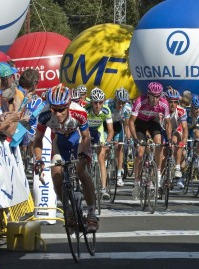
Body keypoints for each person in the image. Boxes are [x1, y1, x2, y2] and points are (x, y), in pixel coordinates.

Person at [33, 83, 99, 232]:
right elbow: (37, 140)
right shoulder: (44, 115)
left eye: (61, 109)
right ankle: (68, 210)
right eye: (53, 109)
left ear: (68, 105)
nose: (57, 114)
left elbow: (85, 136)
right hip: (59, 140)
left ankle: (91, 213)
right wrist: (38, 158)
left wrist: (82, 154)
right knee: (56, 175)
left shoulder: (79, 112)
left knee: (81, 171)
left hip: (78, 140)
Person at [129, 82, 171, 199]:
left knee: (159, 143)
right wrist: (136, 140)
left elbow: (167, 123)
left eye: (158, 96)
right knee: (141, 153)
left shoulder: (164, 104)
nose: (155, 99)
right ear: (148, 95)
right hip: (140, 125)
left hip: (153, 122)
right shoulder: (139, 101)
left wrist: (169, 139)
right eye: (153, 96)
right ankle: (137, 182)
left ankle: (157, 172)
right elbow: (131, 122)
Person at [85, 87, 114, 198]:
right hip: (87, 130)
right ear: (91, 102)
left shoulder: (106, 110)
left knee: (101, 157)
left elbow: (110, 130)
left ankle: (103, 188)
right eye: (95, 102)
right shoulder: (86, 110)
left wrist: (107, 142)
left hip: (98, 130)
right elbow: (81, 128)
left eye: (100, 102)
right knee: (85, 157)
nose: (98, 105)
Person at [104, 87, 132, 186]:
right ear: (115, 99)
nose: (121, 105)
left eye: (123, 103)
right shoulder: (107, 104)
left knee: (120, 148)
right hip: (106, 125)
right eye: (119, 102)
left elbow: (126, 125)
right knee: (105, 146)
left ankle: (119, 174)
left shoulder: (127, 108)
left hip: (117, 125)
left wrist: (128, 138)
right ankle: (104, 166)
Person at [162, 87, 188, 189]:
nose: (172, 104)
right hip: (162, 129)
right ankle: (160, 175)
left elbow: (185, 128)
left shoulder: (181, 111)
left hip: (175, 130)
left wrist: (184, 142)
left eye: (175, 102)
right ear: (166, 101)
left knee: (176, 140)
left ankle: (177, 167)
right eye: (170, 101)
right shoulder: (161, 109)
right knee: (163, 157)